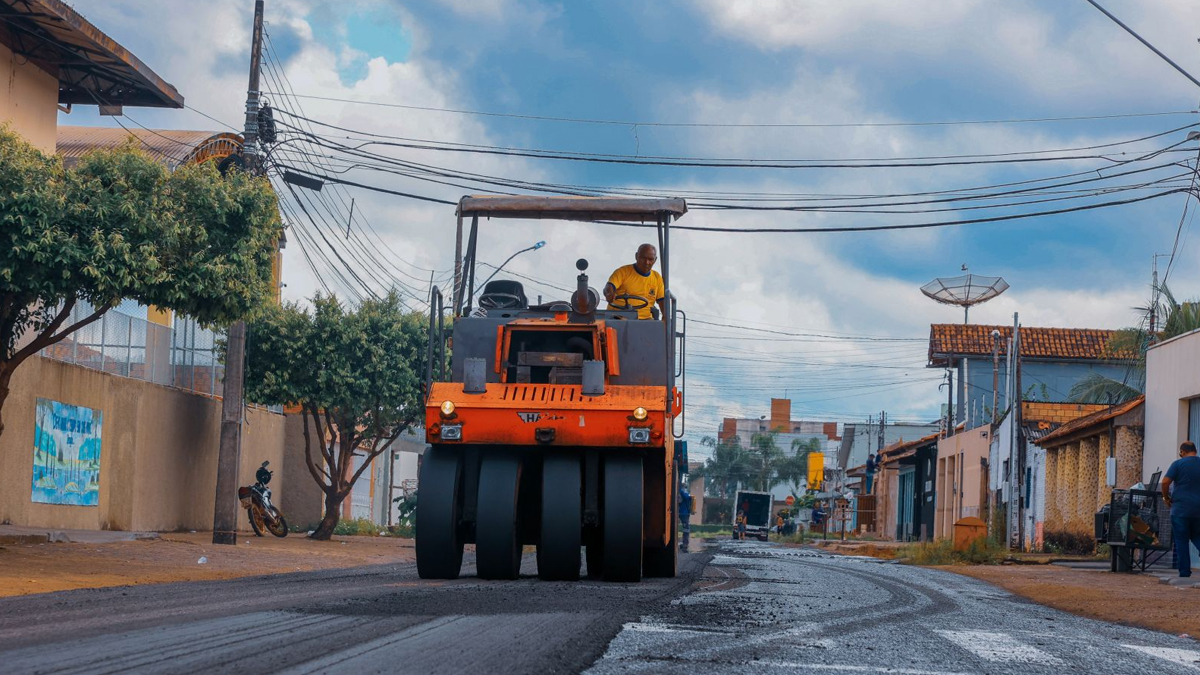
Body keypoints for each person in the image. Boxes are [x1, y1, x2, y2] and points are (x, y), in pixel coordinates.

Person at [1163, 440, 1200, 578]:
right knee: (1197, 536)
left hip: (1180, 510)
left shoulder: (1178, 464)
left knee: (1181, 540)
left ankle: (1184, 573)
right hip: (1198, 510)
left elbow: (1166, 481)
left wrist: (1166, 498)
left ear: (1182, 452)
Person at [604, 244, 665, 320]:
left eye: (650, 259)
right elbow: (609, 286)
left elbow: (662, 301)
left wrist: (665, 317)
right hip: (619, 317)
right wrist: (609, 293)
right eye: (643, 258)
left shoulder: (657, 278)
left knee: (656, 327)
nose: (646, 262)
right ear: (636, 256)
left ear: (655, 260)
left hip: (645, 320)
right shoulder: (623, 272)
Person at [678, 487, 692, 552]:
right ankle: (685, 546)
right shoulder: (683, 493)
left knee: (685, 529)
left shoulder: (682, 492)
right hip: (684, 513)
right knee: (686, 530)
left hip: (684, 513)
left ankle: (684, 544)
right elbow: (687, 497)